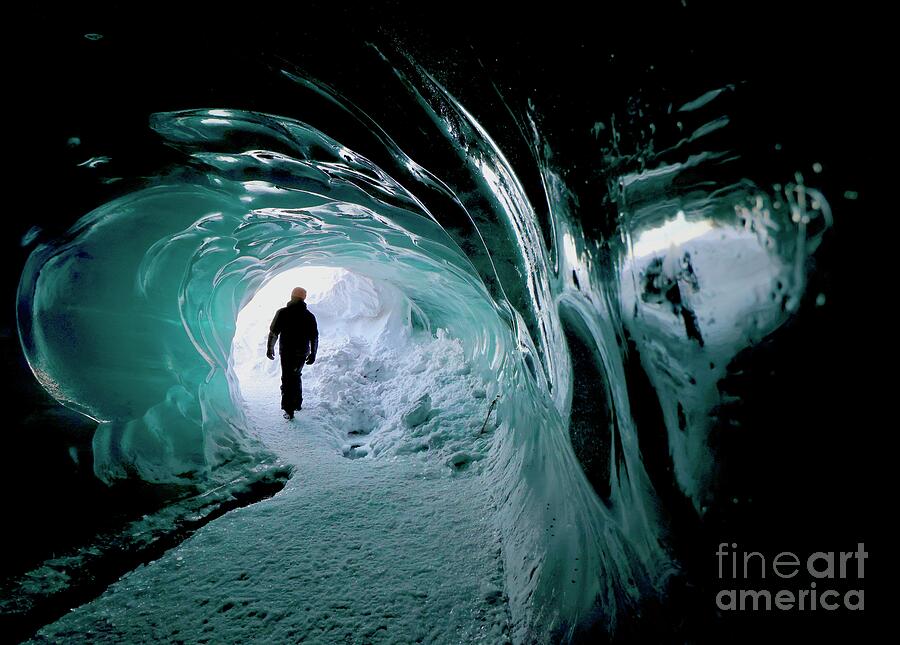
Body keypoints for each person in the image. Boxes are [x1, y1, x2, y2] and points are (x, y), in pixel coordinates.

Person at [266, 286, 318, 420]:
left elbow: (274, 333)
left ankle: (289, 410)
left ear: (291, 296)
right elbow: (314, 337)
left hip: (287, 352)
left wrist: (270, 348)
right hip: (302, 353)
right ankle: (298, 403)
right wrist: (313, 353)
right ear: (304, 298)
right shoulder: (309, 316)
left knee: (287, 378)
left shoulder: (282, 313)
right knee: (296, 375)